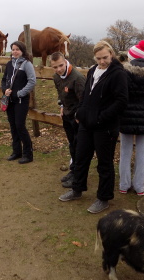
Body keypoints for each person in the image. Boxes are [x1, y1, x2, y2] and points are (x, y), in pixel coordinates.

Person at [59, 41, 127, 214]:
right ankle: (77, 189)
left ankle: (103, 198)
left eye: (105, 57)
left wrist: (101, 117)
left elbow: (121, 101)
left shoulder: (118, 74)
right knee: (81, 157)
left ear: (111, 54)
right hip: (86, 123)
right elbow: (85, 95)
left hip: (105, 126)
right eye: (98, 58)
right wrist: (80, 112)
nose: (102, 61)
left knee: (104, 163)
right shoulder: (92, 71)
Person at [118, 40, 144, 196]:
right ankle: (139, 186)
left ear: (131, 57)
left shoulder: (124, 73)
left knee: (125, 152)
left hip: (126, 115)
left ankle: (124, 184)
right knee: (142, 153)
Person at [50, 51, 85, 187]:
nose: (59, 69)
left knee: (78, 145)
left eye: (60, 65)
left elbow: (83, 99)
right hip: (66, 115)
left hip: (77, 117)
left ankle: (79, 175)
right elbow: (60, 94)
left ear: (65, 62)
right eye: (55, 67)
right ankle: (73, 170)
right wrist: (61, 106)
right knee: (72, 144)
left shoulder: (77, 78)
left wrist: (79, 115)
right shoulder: (56, 77)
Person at [1, 41, 37, 164]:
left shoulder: (27, 64)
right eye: (13, 49)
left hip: (21, 100)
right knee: (13, 126)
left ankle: (28, 153)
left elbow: (32, 81)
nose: (15, 52)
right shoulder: (9, 64)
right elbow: (4, 79)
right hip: (10, 100)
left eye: (17, 49)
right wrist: (5, 90)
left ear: (22, 51)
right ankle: (17, 151)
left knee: (20, 126)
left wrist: (20, 93)